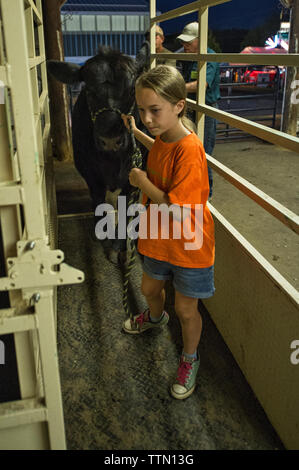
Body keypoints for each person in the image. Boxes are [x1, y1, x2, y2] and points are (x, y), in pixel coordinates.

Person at [121, 65, 215, 400]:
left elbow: (177, 207)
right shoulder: (164, 136)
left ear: (179, 106)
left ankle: (190, 358)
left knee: (187, 310)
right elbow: (158, 147)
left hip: (188, 244)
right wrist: (136, 133)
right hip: (160, 238)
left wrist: (142, 181)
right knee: (149, 287)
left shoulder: (190, 151)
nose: (147, 118)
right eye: (141, 110)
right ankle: (155, 318)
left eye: (154, 110)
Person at [177, 22, 220, 198]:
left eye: (188, 42)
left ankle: (206, 193)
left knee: (204, 151)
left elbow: (202, 84)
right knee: (188, 149)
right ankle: (190, 186)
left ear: (200, 40)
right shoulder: (187, 56)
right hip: (189, 106)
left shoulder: (210, 57)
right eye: (183, 42)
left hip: (206, 109)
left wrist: (176, 87)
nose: (184, 45)